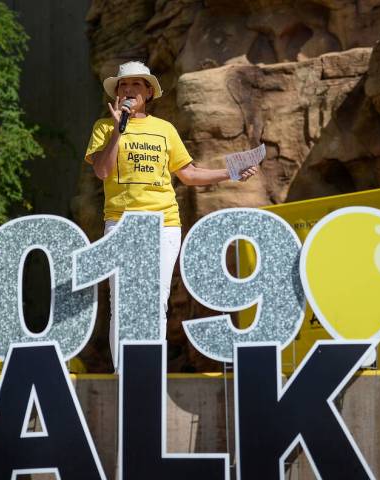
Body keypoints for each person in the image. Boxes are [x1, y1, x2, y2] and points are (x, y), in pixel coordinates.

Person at [84, 61, 258, 365]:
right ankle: (121, 374)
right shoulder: (103, 126)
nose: (128, 90)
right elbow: (102, 170)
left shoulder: (165, 130)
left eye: (137, 84)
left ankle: (148, 370)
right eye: (124, 85)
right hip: (121, 223)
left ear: (149, 92)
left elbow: (189, 174)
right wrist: (117, 130)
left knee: (156, 299)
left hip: (163, 223)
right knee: (121, 301)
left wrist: (232, 171)